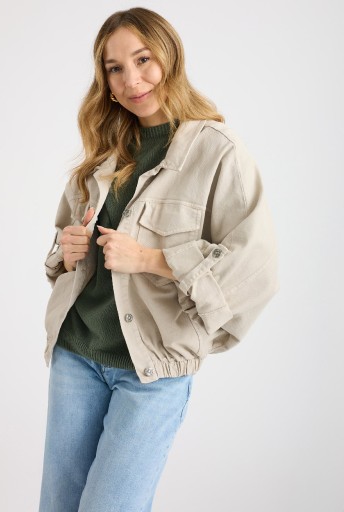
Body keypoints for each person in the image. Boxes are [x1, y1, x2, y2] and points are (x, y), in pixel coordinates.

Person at [39, 7, 279, 512]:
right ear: (105, 82)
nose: (132, 79)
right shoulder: (104, 152)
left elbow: (254, 269)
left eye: (143, 59)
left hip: (153, 372)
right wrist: (70, 250)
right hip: (76, 356)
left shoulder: (218, 151)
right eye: (115, 68)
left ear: (170, 56)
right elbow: (61, 254)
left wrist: (152, 259)